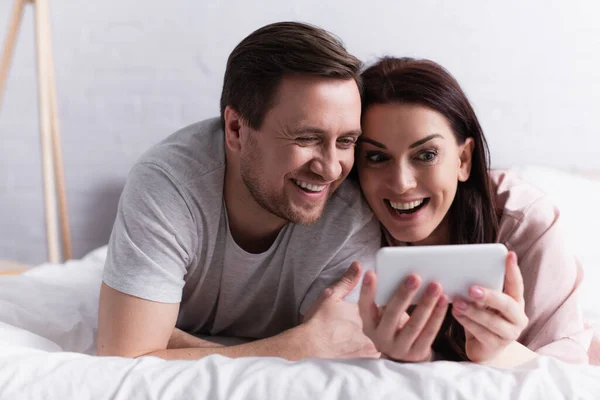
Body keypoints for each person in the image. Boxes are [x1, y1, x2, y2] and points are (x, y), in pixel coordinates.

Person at [96, 22, 382, 361]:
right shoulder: (168, 185)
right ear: (236, 129)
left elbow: (336, 349)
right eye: (307, 138)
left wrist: (164, 340)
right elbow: (124, 357)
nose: (331, 168)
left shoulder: (352, 218)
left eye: (346, 141)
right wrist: (294, 347)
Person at [355, 57, 593, 366]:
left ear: (463, 159)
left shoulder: (524, 220)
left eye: (426, 155)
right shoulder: (347, 221)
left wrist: (498, 353)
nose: (401, 183)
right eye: (376, 157)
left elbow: (565, 370)